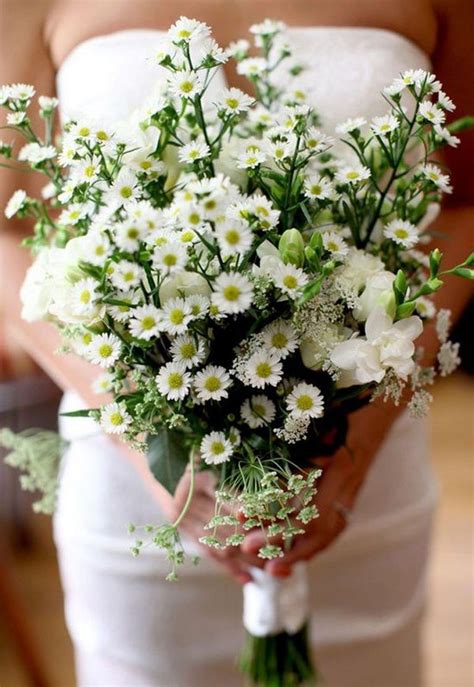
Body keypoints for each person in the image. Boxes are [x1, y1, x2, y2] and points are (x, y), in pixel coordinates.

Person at [0, 1, 472, 685]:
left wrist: (356, 448)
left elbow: (464, 203)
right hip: (138, 494)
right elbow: (6, 230)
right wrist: (145, 441)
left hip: (361, 472)